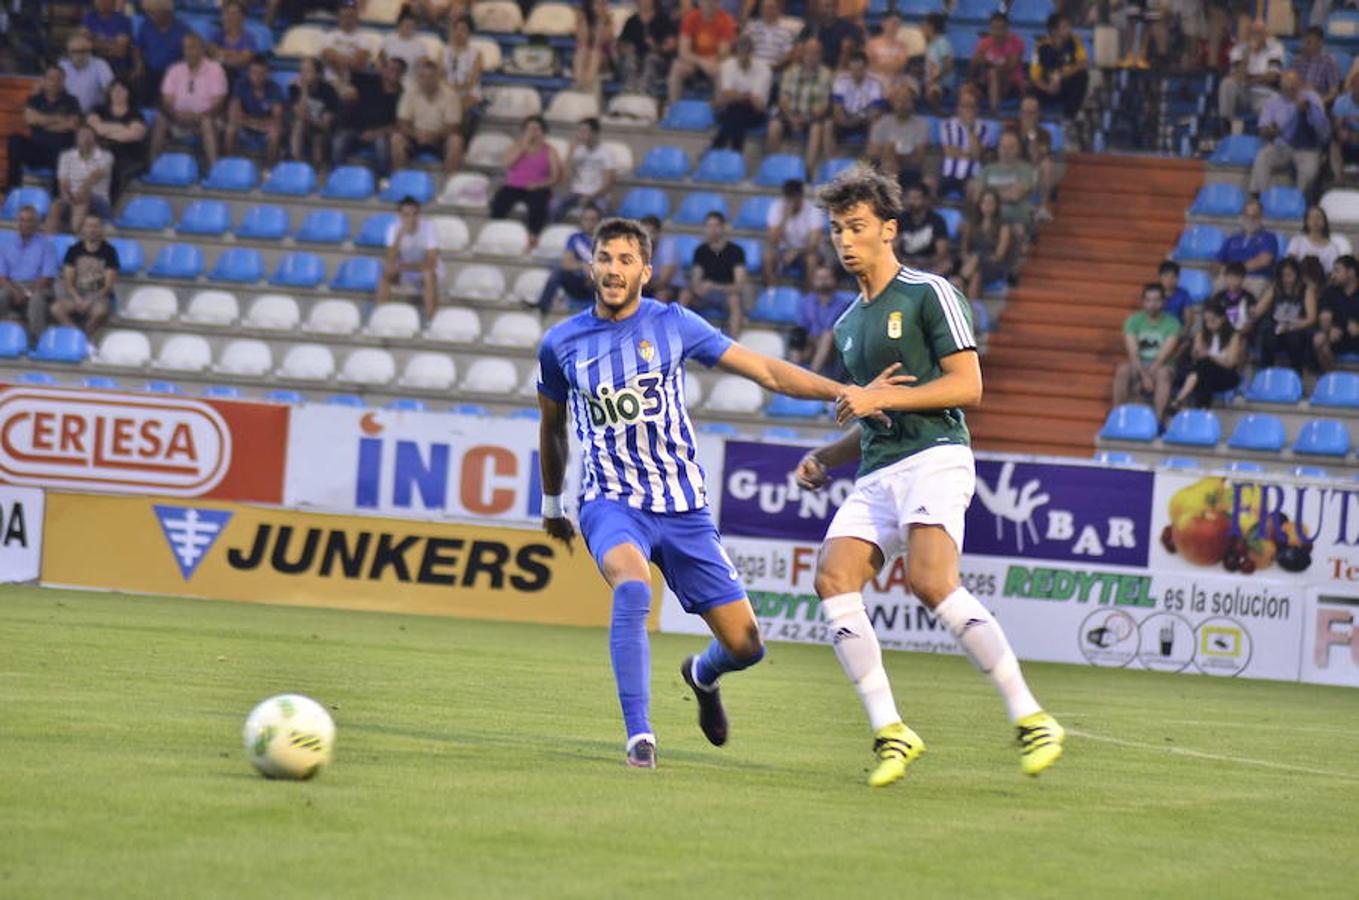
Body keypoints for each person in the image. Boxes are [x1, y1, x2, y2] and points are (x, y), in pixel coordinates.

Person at [534, 215, 909, 768]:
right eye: (605, 259)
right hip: (610, 502)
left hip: (683, 508)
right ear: (591, 266)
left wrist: (847, 391)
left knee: (746, 645)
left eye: (625, 260)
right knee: (633, 589)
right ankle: (640, 735)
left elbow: (765, 370)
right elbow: (552, 426)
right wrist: (550, 503)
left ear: (646, 271)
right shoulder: (560, 343)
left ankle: (702, 675)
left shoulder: (674, 324)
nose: (614, 270)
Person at [793, 164, 1062, 787]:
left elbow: (968, 386)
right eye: (837, 229)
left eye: (857, 227)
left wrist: (870, 401)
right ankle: (892, 731)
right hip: (878, 469)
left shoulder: (927, 292)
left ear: (889, 229)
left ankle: (1031, 717)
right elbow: (875, 412)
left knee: (930, 581)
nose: (844, 239)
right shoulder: (847, 324)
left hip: (936, 454)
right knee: (833, 579)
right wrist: (827, 457)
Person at [150, 33, 228, 169]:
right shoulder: (174, 70)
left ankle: (214, 170)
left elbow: (218, 103)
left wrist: (199, 115)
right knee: (160, 119)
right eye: (186, 48)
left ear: (202, 49)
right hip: (178, 119)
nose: (188, 52)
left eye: (193, 48)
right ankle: (153, 167)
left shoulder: (216, 70)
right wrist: (176, 114)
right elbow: (167, 101)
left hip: (207, 118)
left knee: (207, 122)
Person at [1250, 70, 1329, 198]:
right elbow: (1263, 128)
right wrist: (1270, 131)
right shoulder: (1273, 101)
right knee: (1263, 157)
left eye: (1293, 83)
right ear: (1281, 85)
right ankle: (1260, 197)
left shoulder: (1312, 97)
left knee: (1309, 172)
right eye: (1286, 83)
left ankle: (1299, 201)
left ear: (1300, 83)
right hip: (1283, 145)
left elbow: (1322, 127)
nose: (1290, 86)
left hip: (1308, 147)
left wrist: (1308, 110)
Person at [5, 65, 80, 196]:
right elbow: (31, 119)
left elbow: (72, 125)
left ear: (63, 81)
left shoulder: (71, 101)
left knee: (65, 147)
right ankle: (13, 189)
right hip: (37, 150)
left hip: (58, 153)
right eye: (51, 78)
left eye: (58, 79)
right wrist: (58, 119)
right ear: (44, 81)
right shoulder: (35, 100)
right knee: (14, 140)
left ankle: (57, 198)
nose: (54, 82)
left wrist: (42, 122)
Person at [1112, 282, 1181, 423]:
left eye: (1156, 300)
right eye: (1148, 300)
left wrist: (1149, 374)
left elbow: (1164, 356)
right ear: (1143, 302)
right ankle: (1117, 415)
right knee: (1123, 370)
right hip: (1139, 364)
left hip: (1162, 365)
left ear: (1163, 301)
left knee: (1163, 374)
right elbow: (1132, 353)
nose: (1152, 304)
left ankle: (1158, 420)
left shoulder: (1173, 323)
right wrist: (1144, 376)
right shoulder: (1133, 321)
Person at [490, 116, 562, 247]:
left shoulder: (550, 151)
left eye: (536, 128)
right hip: (514, 186)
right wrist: (523, 147)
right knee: (499, 201)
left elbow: (555, 177)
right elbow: (507, 164)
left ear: (543, 131)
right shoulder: (515, 147)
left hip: (537, 187)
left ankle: (533, 236)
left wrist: (539, 185)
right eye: (529, 128)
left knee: (538, 205)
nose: (533, 132)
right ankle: (494, 230)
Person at [766, 37, 832, 176]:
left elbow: (824, 105)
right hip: (791, 114)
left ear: (820, 55)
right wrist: (791, 118)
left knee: (816, 128)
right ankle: (773, 167)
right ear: (803, 54)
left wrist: (806, 119)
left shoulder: (826, 74)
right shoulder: (791, 72)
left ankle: (808, 171)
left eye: (816, 53)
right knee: (774, 126)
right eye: (809, 52)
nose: (812, 57)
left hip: (811, 117)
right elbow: (783, 99)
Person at [333, 57, 404, 176]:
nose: (393, 73)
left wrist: (377, 133)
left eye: (397, 70)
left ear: (402, 74)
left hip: (379, 133)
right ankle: (337, 176)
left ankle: (383, 179)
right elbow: (344, 71)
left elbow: (397, 124)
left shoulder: (402, 95)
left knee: (382, 145)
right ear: (384, 69)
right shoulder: (369, 80)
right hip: (355, 128)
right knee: (338, 141)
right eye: (390, 69)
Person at [393, 59, 464, 176]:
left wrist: (433, 135)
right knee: (396, 139)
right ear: (417, 78)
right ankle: (400, 178)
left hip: (441, 138)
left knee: (456, 141)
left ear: (438, 78)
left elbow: (453, 127)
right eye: (422, 76)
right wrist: (416, 134)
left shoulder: (450, 95)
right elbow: (402, 123)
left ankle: (450, 182)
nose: (427, 81)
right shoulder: (409, 93)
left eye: (431, 76)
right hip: (416, 137)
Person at [1169, 301, 1244, 412]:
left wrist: (1211, 356)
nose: (1209, 325)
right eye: (1207, 321)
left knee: (1205, 365)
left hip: (1225, 375)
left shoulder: (1234, 336)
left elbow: (1230, 363)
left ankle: (1179, 400)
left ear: (1223, 319)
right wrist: (1197, 352)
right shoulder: (1201, 334)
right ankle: (1201, 408)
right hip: (1204, 374)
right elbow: (1197, 359)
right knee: (1203, 370)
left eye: (1213, 321)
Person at [682, 211, 747, 336]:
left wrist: (714, 286)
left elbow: (739, 286)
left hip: (725, 295)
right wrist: (697, 288)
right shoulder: (701, 251)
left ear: (723, 228)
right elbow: (696, 279)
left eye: (715, 226)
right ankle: (679, 338)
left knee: (735, 300)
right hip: (705, 295)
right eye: (708, 226)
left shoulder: (736, 251)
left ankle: (733, 344)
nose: (711, 230)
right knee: (685, 295)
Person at [377, 196, 443, 319]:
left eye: (414, 214)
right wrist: (399, 237)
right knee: (386, 273)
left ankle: (431, 318)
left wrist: (404, 266)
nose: (411, 218)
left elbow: (431, 261)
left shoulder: (429, 227)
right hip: (406, 270)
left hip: (424, 270)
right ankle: (380, 315)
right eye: (406, 215)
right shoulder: (394, 228)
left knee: (428, 274)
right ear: (400, 215)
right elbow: (390, 259)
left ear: (419, 214)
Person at [53, 214, 118, 338]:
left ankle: (84, 337)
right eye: (89, 226)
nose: (92, 230)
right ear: (83, 229)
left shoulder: (110, 252)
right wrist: (77, 298)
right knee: (56, 309)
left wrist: (90, 300)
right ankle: (77, 334)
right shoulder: (73, 250)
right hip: (77, 295)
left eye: (96, 226)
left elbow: (108, 285)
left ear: (101, 229)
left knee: (100, 311)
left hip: (98, 296)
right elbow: (68, 281)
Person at [0, 206, 58, 341]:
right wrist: (14, 291)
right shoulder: (5, 245)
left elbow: (47, 277)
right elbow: (1, 276)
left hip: (38, 286)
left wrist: (27, 293)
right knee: (1, 295)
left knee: (36, 300)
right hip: (12, 285)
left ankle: (38, 341)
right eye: (22, 220)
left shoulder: (47, 245)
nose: (25, 224)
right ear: (17, 222)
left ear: (37, 224)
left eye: (29, 220)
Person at [534, 204, 602, 315]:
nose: (590, 223)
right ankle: (542, 308)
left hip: (598, 286)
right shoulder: (575, 238)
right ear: (581, 221)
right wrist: (582, 266)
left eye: (593, 220)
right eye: (586, 219)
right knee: (558, 271)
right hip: (579, 283)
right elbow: (566, 263)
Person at [1253, 256, 1318, 370]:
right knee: (1268, 335)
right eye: (1283, 276)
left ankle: (1296, 373)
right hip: (1278, 329)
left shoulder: (1307, 290)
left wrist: (1291, 326)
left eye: (1289, 275)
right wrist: (1250, 312)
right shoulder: (1275, 288)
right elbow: (1259, 310)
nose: (1286, 279)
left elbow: (1311, 318)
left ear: (1297, 274)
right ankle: (1265, 371)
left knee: (1294, 338)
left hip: (1298, 329)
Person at [48, 125, 114, 235]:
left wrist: (79, 192)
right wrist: (68, 194)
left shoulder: (106, 156)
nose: (85, 139)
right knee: (56, 205)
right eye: (82, 135)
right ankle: (48, 241)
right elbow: (62, 183)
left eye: (88, 135)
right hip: (71, 198)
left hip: (97, 200)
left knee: (83, 197)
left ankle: (75, 236)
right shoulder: (66, 156)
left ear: (95, 138)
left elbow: (93, 178)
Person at [668, 0, 737, 104]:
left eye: (713, 2)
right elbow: (683, 50)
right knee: (677, 68)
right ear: (700, 3)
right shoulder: (691, 18)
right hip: (694, 60)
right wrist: (701, 62)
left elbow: (723, 53)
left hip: (715, 60)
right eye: (706, 2)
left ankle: (719, 110)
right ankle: (674, 108)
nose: (709, 4)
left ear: (718, 4)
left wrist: (710, 62)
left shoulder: (726, 20)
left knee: (722, 72)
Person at [710, 37, 772, 153]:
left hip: (755, 114)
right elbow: (724, 98)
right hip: (731, 110)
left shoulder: (764, 70)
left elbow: (758, 105)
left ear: (752, 52)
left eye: (747, 52)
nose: (743, 56)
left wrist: (737, 96)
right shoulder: (728, 66)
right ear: (736, 53)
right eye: (740, 52)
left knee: (736, 110)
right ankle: (736, 152)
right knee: (737, 110)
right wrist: (745, 96)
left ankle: (716, 147)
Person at [88, 79, 146, 201]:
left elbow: (135, 134)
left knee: (112, 167)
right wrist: (122, 127)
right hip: (99, 151)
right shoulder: (98, 110)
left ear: (129, 93)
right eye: (115, 89)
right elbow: (95, 129)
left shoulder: (135, 114)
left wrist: (106, 131)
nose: (118, 93)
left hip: (126, 154)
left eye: (122, 90)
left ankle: (106, 205)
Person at [1217, 19, 1284, 125]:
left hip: (1264, 93)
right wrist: (1247, 54)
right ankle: (1225, 125)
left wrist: (1250, 81)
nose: (1256, 36)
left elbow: (1272, 77)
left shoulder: (1275, 48)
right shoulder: (1239, 49)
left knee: (1275, 101)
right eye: (1253, 33)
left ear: (1266, 34)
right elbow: (1237, 78)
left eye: (1259, 33)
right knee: (1227, 84)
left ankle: (1268, 136)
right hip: (1244, 93)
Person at [867, 82, 929, 194]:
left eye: (906, 101)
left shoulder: (921, 125)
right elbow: (872, 152)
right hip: (882, 167)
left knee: (889, 152)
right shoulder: (881, 122)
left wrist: (894, 154)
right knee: (888, 155)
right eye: (899, 101)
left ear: (912, 103)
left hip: (909, 170)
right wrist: (891, 152)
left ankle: (888, 195)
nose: (902, 104)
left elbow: (919, 158)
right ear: (893, 103)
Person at [974, 131, 1037, 239]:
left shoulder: (1026, 169)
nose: (1006, 151)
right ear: (998, 148)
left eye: (1011, 147)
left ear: (1018, 149)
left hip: (1016, 218)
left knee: (1017, 229)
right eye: (1003, 147)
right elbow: (977, 196)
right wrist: (1008, 189)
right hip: (990, 218)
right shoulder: (988, 169)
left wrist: (990, 191)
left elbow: (1015, 196)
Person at [790, 264, 851, 374]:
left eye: (826, 278)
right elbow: (802, 327)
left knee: (827, 336)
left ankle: (812, 374)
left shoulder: (843, 304)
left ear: (834, 280)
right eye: (819, 278)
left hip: (832, 347)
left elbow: (840, 332)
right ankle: (793, 372)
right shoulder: (806, 302)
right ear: (813, 281)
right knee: (797, 334)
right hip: (811, 343)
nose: (823, 281)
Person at [227, 55, 286, 165]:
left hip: (264, 128)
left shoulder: (275, 89)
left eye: (261, 73)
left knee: (275, 133)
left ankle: (269, 169)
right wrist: (254, 124)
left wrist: (250, 122)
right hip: (248, 126)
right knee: (230, 129)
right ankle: (231, 165)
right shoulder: (241, 85)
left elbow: (277, 119)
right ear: (249, 72)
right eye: (254, 72)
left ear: (267, 74)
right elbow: (234, 113)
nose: (257, 77)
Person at [764, 179, 825, 286]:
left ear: (801, 196)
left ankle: (810, 296)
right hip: (784, 251)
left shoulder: (813, 210)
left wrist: (796, 252)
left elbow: (813, 244)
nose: (791, 201)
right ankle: (771, 292)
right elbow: (772, 241)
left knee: (811, 260)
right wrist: (785, 217)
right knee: (768, 256)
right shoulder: (777, 207)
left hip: (807, 252)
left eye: (794, 197)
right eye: (788, 198)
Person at [553, 118, 616, 222]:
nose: (580, 134)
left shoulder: (606, 153)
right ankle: (555, 234)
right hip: (576, 193)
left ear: (595, 133)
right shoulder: (577, 151)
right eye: (580, 131)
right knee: (554, 206)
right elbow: (565, 178)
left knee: (604, 210)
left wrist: (590, 197)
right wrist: (570, 152)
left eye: (584, 131)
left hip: (597, 195)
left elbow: (608, 185)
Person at [826, 51, 886, 160]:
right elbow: (837, 107)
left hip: (865, 119)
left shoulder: (876, 82)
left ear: (866, 68)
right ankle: (832, 160)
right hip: (845, 117)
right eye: (853, 70)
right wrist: (844, 119)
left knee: (876, 123)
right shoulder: (841, 80)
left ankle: (868, 160)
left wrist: (858, 118)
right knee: (828, 124)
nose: (856, 73)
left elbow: (876, 110)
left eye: (859, 70)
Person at [1029, 14, 1088, 120]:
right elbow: (1035, 76)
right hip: (1048, 86)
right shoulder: (1040, 46)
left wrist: (1061, 76)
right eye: (1065, 27)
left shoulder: (1075, 41)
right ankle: (1038, 116)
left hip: (1066, 84)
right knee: (1032, 87)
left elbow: (1082, 63)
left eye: (1069, 26)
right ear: (1054, 31)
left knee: (1082, 76)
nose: (1069, 30)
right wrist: (1048, 88)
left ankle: (1070, 116)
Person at [132, 0, 190, 105]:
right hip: (150, 71)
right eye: (150, 12)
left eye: (154, 12)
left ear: (167, 13)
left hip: (173, 73)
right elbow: (138, 48)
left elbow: (189, 53)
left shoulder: (183, 30)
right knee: (139, 82)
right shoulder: (146, 26)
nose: (151, 16)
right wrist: (139, 64)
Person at [1217, 198, 1278, 297]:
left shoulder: (1269, 237)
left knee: (1256, 288)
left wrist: (1236, 271)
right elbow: (1218, 262)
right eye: (1247, 216)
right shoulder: (1232, 238)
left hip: (1255, 278)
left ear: (1261, 217)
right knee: (1219, 284)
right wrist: (1228, 272)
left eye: (1255, 216)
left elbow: (1264, 261)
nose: (1251, 219)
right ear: (1243, 216)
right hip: (1230, 277)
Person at [938, 86, 991, 199]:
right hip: (948, 173)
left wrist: (970, 128)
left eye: (971, 106)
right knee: (931, 185)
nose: (968, 109)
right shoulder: (947, 125)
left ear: (977, 108)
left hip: (971, 175)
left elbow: (977, 155)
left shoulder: (983, 128)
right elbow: (949, 152)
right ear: (958, 108)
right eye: (964, 105)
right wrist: (969, 153)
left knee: (973, 189)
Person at [958, 188, 1011, 298]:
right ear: (979, 204)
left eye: (991, 202)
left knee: (976, 262)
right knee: (976, 275)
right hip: (971, 263)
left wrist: (977, 259)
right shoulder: (971, 224)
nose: (987, 206)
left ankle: (960, 280)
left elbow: (999, 256)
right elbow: (964, 251)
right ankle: (969, 310)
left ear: (997, 205)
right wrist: (970, 259)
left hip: (992, 265)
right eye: (984, 202)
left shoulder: (1003, 227)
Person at [969, 13, 1025, 115]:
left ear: (1007, 28)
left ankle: (994, 112)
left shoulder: (1016, 42)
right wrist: (977, 61)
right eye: (994, 28)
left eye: (1000, 28)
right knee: (966, 90)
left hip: (1010, 84)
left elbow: (1011, 67)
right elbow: (973, 66)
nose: (997, 32)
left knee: (993, 73)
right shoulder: (984, 42)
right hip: (987, 83)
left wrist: (988, 63)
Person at [618, 0, 678, 94]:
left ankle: (643, 90)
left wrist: (656, 47)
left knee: (651, 59)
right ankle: (629, 90)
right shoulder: (631, 21)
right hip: (636, 59)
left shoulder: (663, 19)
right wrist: (626, 48)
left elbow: (671, 45)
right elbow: (622, 44)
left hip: (659, 59)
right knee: (630, 60)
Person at [896, 182, 952, 275]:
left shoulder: (937, 220)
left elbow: (942, 252)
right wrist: (905, 261)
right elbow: (894, 247)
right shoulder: (901, 219)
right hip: (905, 263)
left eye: (916, 198)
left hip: (930, 264)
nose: (911, 202)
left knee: (946, 264)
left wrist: (924, 263)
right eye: (909, 198)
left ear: (926, 200)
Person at [1315, 254, 1359, 371]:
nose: (1333, 275)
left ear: (1351, 272)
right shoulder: (1330, 291)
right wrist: (1328, 329)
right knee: (1319, 340)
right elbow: (1324, 316)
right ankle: (1332, 379)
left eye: (1337, 271)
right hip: (1338, 336)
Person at [797, 0, 864, 71]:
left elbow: (852, 49)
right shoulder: (810, 27)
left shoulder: (849, 27)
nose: (830, 10)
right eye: (826, 6)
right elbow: (799, 48)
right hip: (814, 70)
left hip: (839, 70)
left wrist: (837, 73)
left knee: (847, 45)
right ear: (818, 8)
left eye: (833, 6)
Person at [59, 31, 115, 115]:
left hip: (94, 115)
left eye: (84, 51)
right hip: (67, 114)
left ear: (90, 51)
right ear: (68, 52)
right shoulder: (62, 65)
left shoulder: (100, 64)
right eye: (75, 51)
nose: (79, 55)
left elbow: (110, 89)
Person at [1288, 205, 1352, 275]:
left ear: (1324, 221)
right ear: (1306, 221)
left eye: (1318, 217)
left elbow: (1331, 271)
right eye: (1311, 218)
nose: (1315, 221)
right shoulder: (1297, 241)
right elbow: (1291, 264)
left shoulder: (1332, 247)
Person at [321, 1, 373, 84]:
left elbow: (359, 63)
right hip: (329, 82)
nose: (347, 20)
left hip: (354, 83)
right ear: (339, 18)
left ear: (357, 19)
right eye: (344, 17)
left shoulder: (364, 39)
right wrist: (348, 61)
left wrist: (336, 58)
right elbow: (327, 58)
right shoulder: (329, 36)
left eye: (351, 17)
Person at [1291, 25, 1341, 106]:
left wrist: (1318, 103)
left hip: (1318, 102)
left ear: (1320, 43)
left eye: (1309, 42)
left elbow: (1333, 92)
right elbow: (1292, 85)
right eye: (1304, 41)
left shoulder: (1329, 62)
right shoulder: (1298, 60)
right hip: (1298, 100)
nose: (1304, 45)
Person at [211, 1, 259, 85]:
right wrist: (235, 54)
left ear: (243, 17)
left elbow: (244, 60)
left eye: (233, 13)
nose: (229, 17)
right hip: (219, 78)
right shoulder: (218, 34)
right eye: (226, 13)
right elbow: (212, 54)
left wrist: (223, 55)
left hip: (240, 80)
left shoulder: (249, 38)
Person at [83, 0, 134, 78]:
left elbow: (120, 51)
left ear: (113, 2)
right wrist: (111, 44)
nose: (102, 3)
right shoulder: (89, 17)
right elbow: (84, 44)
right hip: (93, 67)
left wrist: (95, 43)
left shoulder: (123, 20)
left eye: (105, 1)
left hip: (116, 68)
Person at [573, 0, 617, 89]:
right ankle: (578, 83)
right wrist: (583, 21)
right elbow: (582, 40)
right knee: (582, 50)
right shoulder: (584, 18)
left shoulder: (609, 21)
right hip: (587, 56)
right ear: (591, 6)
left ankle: (586, 85)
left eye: (603, 4)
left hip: (605, 58)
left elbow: (599, 42)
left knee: (595, 52)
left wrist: (601, 22)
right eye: (597, 4)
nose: (600, 7)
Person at [742, 0, 796, 72]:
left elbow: (788, 55)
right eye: (765, 8)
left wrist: (773, 68)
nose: (768, 11)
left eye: (771, 8)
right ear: (760, 10)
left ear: (778, 9)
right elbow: (742, 48)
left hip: (775, 71)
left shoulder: (786, 32)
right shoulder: (751, 27)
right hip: (752, 70)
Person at [919, 12, 953, 112]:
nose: (921, 28)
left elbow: (948, 66)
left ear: (931, 27)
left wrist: (935, 79)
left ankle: (938, 113)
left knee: (933, 90)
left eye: (924, 25)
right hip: (929, 81)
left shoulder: (942, 43)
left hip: (942, 83)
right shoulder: (929, 45)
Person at [865, 12, 910, 87]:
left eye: (898, 24)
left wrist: (881, 65)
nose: (896, 27)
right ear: (883, 23)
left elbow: (900, 65)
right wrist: (890, 65)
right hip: (875, 79)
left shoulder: (902, 46)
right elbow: (869, 64)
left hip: (895, 80)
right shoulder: (871, 44)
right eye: (893, 23)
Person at [381, 8, 430, 77]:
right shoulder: (389, 39)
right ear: (399, 25)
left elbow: (422, 68)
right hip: (388, 77)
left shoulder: (420, 45)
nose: (409, 29)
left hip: (409, 80)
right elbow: (380, 59)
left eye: (412, 27)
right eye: (407, 26)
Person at [1330, 73, 1359, 180]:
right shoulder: (1341, 101)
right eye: (1357, 85)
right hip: (1348, 138)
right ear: (1351, 86)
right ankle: (1339, 179)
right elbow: (1337, 127)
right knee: (1336, 141)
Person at [1158, 260, 1196, 329]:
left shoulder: (1184, 294)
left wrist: (1183, 333)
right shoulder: (1154, 293)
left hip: (1177, 330)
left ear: (1178, 278)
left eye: (1173, 277)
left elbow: (1189, 320)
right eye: (1166, 276)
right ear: (1160, 277)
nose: (1169, 280)